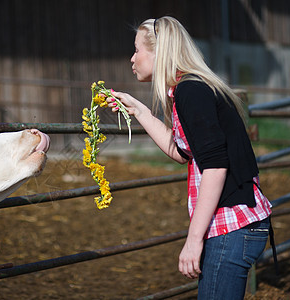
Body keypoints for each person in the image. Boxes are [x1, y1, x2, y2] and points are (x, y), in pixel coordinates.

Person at [107, 16, 273, 299]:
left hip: (231, 226)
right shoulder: (189, 88)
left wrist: (193, 240)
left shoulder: (190, 91)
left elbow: (215, 167)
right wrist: (140, 111)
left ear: (159, 52)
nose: (132, 58)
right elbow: (182, 152)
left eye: (137, 49)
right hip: (236, 224)